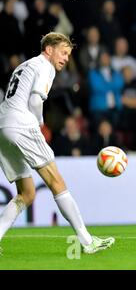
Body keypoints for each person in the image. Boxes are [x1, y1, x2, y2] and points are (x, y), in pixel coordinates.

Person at [0, 32, 115, 254]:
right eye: (63, 52)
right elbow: (35, 100)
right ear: (49, 49)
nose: (65, 58)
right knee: (57, 183)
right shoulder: (45, 66)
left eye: (69, 55)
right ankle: (86, 241)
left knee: (27, 193)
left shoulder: (24, 65)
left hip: (3, 126)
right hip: (22, 125)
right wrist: (40, 124)